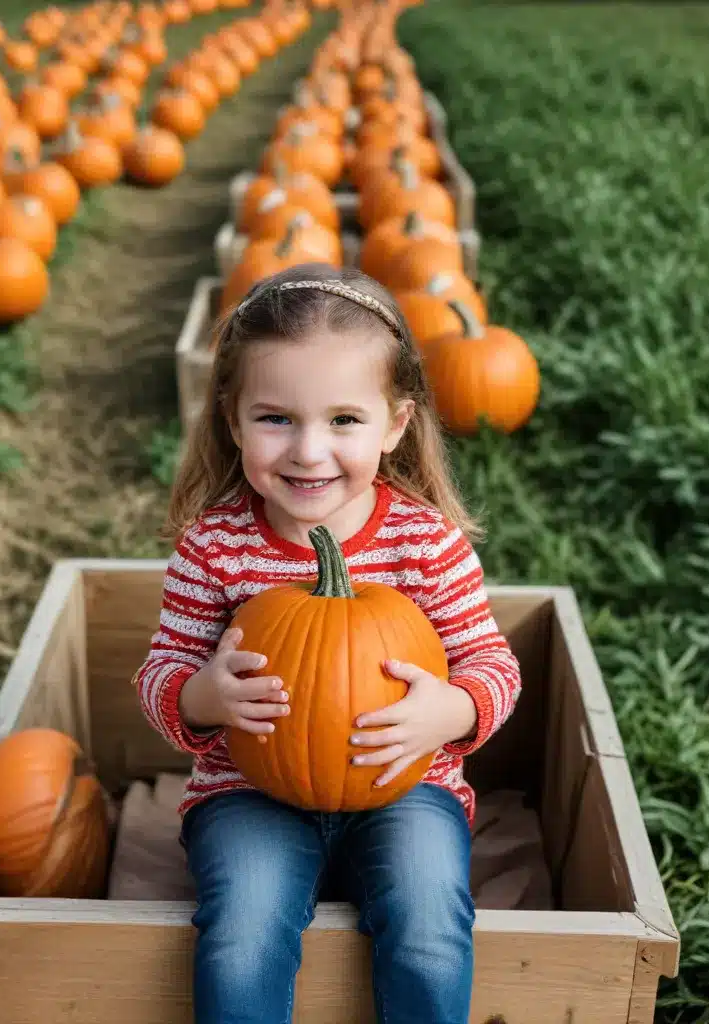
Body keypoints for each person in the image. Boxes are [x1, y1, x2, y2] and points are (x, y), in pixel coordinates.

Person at [132, 262, 522, 1024]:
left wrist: (452, 711)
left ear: (396, 424)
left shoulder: (424, 545)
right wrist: (202, 695)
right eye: (276, 418)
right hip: (249, 793)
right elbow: (161, 672)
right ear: (232, 419)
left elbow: (492, 664)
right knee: (241, 931)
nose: (309, 452)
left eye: (344, 420)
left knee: (430, 923)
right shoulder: (214, 550)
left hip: (409, 790)